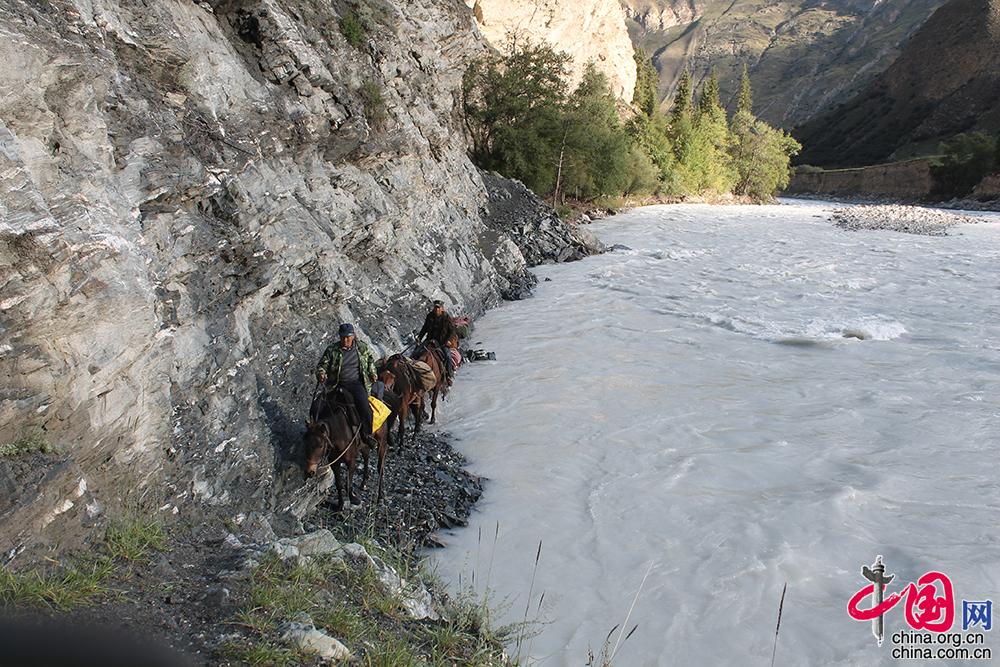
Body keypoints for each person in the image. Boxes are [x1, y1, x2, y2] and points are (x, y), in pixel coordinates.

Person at [316, 323, 378, 446]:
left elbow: (370, 360)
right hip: (336, 383)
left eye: (348, 337)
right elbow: (322, 365)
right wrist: (321, 374)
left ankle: (366, 434)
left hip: (355, 383)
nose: (345, 340)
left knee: (364, 405)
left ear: (353, 336)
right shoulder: (332, 350)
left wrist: (372, 373)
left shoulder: (362, 348)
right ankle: (316, 433)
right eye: (343, 337)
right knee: (318, 405)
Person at [416, 299, 456, 383]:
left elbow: (452, 331)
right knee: (416, 351)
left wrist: (448, 340)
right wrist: (419, 337)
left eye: (438, 308)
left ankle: (449, 375)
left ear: (442, 308)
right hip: (430, 340)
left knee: (448, 356)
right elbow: (425, 328)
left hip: (442, 342)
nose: (436, 309)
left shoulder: (446, 318)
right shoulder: (430, 316)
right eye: (435, 307)